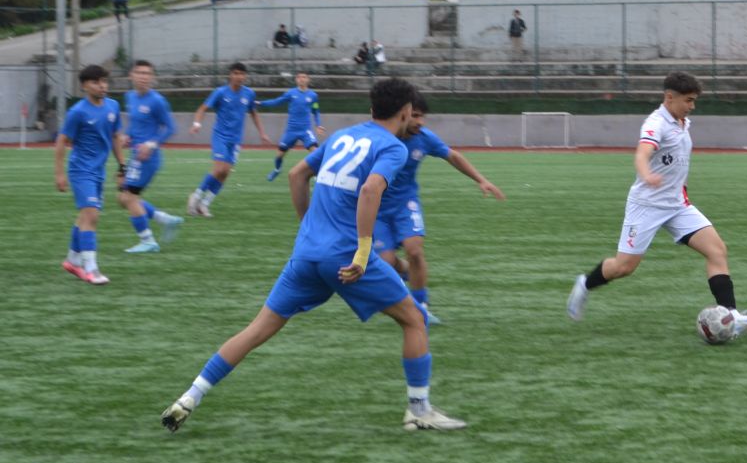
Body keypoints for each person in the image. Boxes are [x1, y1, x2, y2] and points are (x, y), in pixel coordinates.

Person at [160, 77, 466, 434]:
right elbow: (370, 190)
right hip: (346, 257)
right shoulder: (393, 147)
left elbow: (297, 174)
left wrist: (309, 227)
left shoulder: (340, 136)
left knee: (257, 329)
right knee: (415, 320)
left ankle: (189, 397)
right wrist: (363, 252)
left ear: (371, 108)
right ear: (405, 112)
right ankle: (419, 411)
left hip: (307, 253)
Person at [566, 72, 747, 335]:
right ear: (669, 97)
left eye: (694, 100)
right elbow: (642, 154)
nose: (692, 106)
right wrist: (646, 174)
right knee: (624, 267)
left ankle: (732, 316)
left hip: (677, 206)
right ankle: (584, 284)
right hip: (646, 205)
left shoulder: (683, 122)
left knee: (717, 251)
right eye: (688, 100)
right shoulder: (655, 124)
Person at [374, 93, 504, 326]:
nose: (420, 122)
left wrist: (481, 180)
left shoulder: (424, 138)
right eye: (415, 116)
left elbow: (452, 156)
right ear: (401, 115)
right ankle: (406, 270)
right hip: (376, 207)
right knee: (386, 262)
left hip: (406, 204)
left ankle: (421, 306)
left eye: (422, 117)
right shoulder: (379, 138)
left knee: (415, 250)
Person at [55, 65, 124, 285]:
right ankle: (91, 268)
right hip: (80, 171)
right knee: (92, 216)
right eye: (96, 82)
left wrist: (122, 166)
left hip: (99, 171)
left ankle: (72, 260)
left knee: (85, 216)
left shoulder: (113, 106)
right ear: (85, 86)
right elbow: (61, 141)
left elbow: (115, 137)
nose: (102, 86)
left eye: (104, 81)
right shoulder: (78, 112)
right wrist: (59, 173)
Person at [186, 62, 268, 218]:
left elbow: (254, 113)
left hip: (235, 140)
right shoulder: (220, 92)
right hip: (220, 136)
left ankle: (205, 204)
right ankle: (196, 196)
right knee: (218, 169)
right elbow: (202, 108)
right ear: (230, 75)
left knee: (225, 173)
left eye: (242, 74)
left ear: (245, 76)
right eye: (236, 73)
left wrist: (262, 133)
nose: (239, 77)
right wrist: (197, 124)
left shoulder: (249, 94)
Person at [118, 60, 184, 254]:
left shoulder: (157, 101)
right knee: (123, 198)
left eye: (147, 73)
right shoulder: (130, 97)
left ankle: (147, 240)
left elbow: (171, 128)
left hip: (148, 159)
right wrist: (128, 136)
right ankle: (165, 219)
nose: (143, 77)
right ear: (131, 75)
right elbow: (135, 124)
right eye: (139, 73)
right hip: (135, 155)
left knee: (129, 197)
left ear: (152, 77)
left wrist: (151, 144)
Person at [260, 72, 325, 182]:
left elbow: (316, 111)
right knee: (279, 155)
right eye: (299, 77)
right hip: (291, 131)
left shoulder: (313, 96)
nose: (301, 79)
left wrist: (318, 125)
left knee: (315, 152)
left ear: (308, 79)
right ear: (296, 80)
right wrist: (261, 103)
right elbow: (276, 102)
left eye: (304, 77)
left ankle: (317, 174)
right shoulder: (291, 93)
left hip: (305, 130)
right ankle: (277, 169)